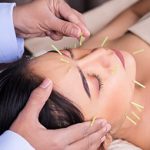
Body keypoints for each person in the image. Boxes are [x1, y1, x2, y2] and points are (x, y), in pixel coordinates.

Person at [1, 0, 150, 149]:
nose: (99, 52)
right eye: (96, 81)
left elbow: (134, 12)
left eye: (69, 54)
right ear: (99, 141)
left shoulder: (98, 50)